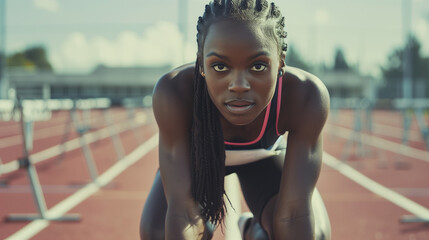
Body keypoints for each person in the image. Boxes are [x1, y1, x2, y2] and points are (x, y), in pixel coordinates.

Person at [140, 0, 331, 239]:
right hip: (199, 163)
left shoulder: (305, 96)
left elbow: (295, 214)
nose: (239, 85)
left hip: (265, 162)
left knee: (314, 234)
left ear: (281, 61)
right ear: (201, 62)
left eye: (258, 66)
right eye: (220, 66)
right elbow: (183, 213)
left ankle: (255, 231)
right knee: (158, 232)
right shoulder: (175, 92)